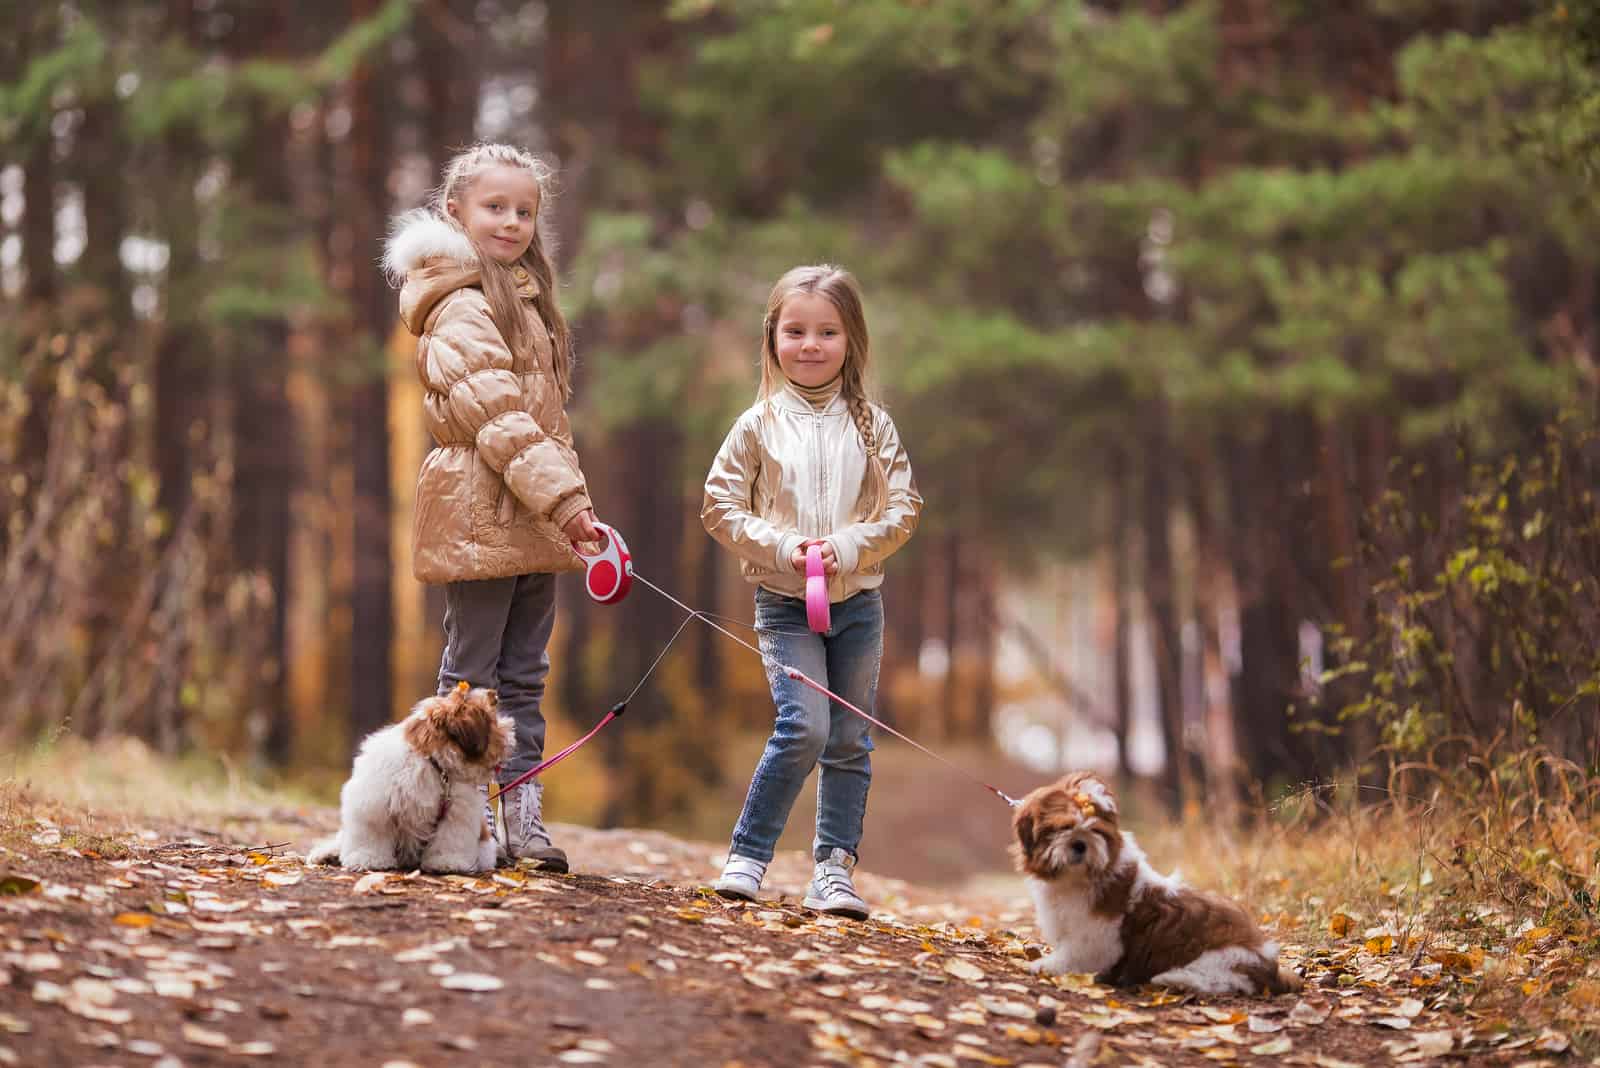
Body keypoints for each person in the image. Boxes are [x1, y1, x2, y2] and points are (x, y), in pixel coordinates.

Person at [382, 142, 600, 873]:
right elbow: (501, 419)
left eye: (525, 211)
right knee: (471, 678)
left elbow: (542, 426)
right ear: (455, 211)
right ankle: (446, 819)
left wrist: (572, 507)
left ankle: (522, 817)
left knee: (527, 675)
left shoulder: (526, 298)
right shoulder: (457, 305)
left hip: (532, 510)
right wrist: (567, 502)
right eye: (494, 208)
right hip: (479, 509)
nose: (511, 223)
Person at [702, 264, 923, 918]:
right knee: (804, 727)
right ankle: (748, 854)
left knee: (850, 739)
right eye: (795, 331)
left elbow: (905, 507)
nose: (810, 345)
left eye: (827, 332)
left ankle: (833, 870)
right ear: (772, 338)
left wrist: (848, 547)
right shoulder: (757, 425)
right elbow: (719, 507)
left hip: (857, 604)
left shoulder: (874, 425)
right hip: (783, 603)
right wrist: (783, 546)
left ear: (851, 340)